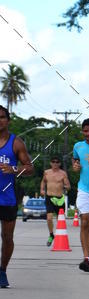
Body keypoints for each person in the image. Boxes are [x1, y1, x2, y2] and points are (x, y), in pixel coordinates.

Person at [0, 105, 34, 288]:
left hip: (7, 197)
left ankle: (2, 270)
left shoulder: (16, 143)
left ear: (8, 120)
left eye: (2, 117)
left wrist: (14, 169)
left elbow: (29, 168)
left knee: (7, 237)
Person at [72, 118, 89, 273]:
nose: (88, 134)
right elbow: (75, 162)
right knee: (85, 221)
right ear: (82, 131)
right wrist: (75, 166)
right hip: (84, 190)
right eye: (85, 131)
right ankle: (86, 259)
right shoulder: (78, 146)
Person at [40, 156, 70, 246]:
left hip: (59, 198)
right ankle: (51, 235)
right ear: (51, 163)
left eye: (57, 162)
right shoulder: (46, 172)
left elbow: (68, 186)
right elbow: (43, 181)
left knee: (60, 219)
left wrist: (66, 187)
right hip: (49, 197)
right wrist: (42, 189)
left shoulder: (63, 174)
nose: (55, 163)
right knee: (49, 218)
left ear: (59, 164)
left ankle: (59, 234)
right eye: (53, 162)